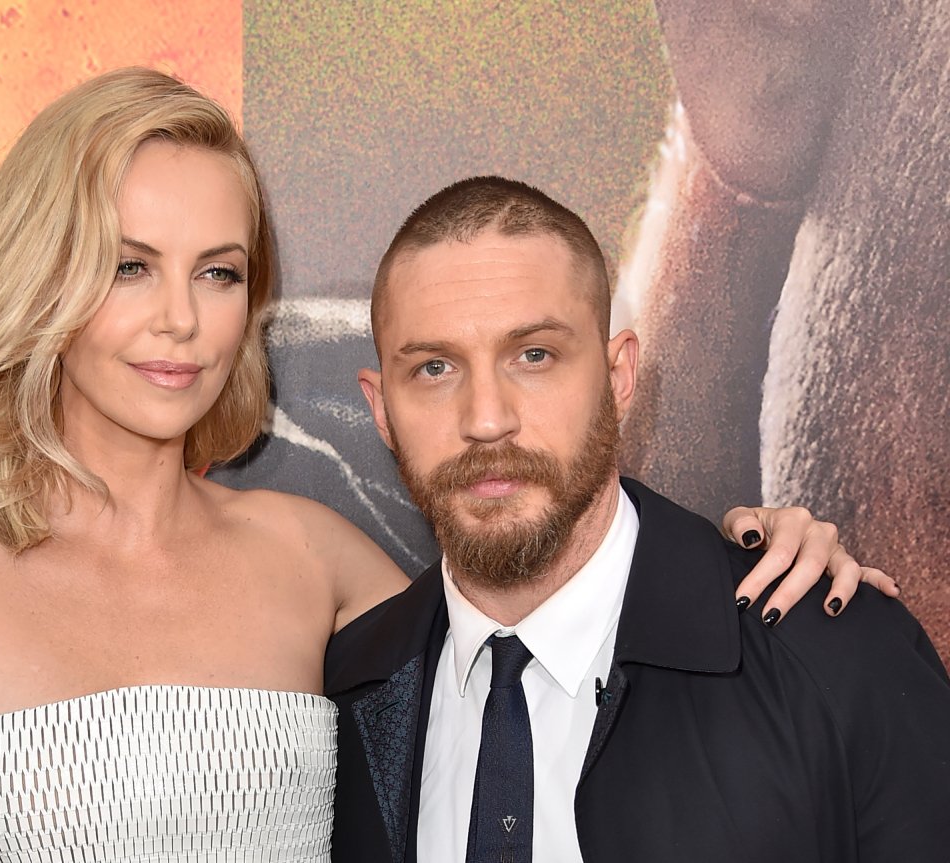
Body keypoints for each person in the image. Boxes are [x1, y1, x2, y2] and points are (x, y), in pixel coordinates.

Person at [0, 71, 885, 862]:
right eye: (128, 264)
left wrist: (759, 553)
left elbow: (570, 634)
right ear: (40, 273)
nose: (182, 318)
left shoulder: (319, 561)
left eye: (219, 271)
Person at [328, 176, 950, 863]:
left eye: (534, 355)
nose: (486, 418)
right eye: (435, 367)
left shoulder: (841, 659)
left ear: (619, 376)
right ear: (382, 410)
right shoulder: (336, 699)